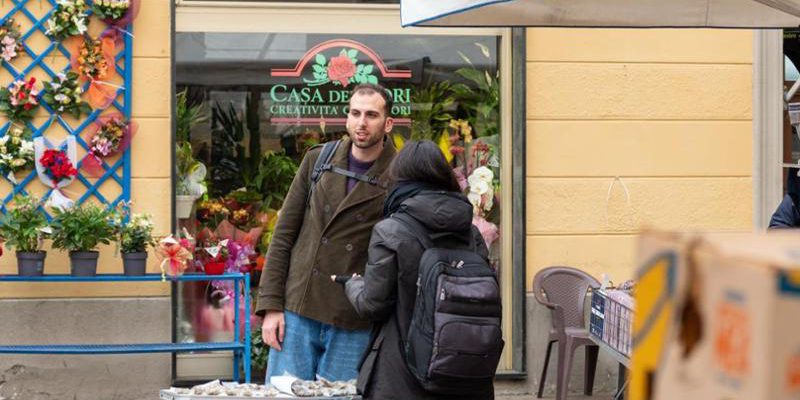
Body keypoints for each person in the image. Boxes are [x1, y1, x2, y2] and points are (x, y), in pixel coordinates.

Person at [256, 83, 397, 383]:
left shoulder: (398, 174)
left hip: (354, 317)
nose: (361, 122)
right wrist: (271, 306)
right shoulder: (318, 160)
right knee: (283, 393)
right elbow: (284, 234)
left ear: (388, 124)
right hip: (299, 307)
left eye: (371, 115)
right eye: (355, 113)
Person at [344, 140, 494, 399]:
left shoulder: (391, 231)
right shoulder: (471, 233)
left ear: (400, 179)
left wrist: (353, 284)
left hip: (402, 374)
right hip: (463, 369)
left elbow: (373, 305)